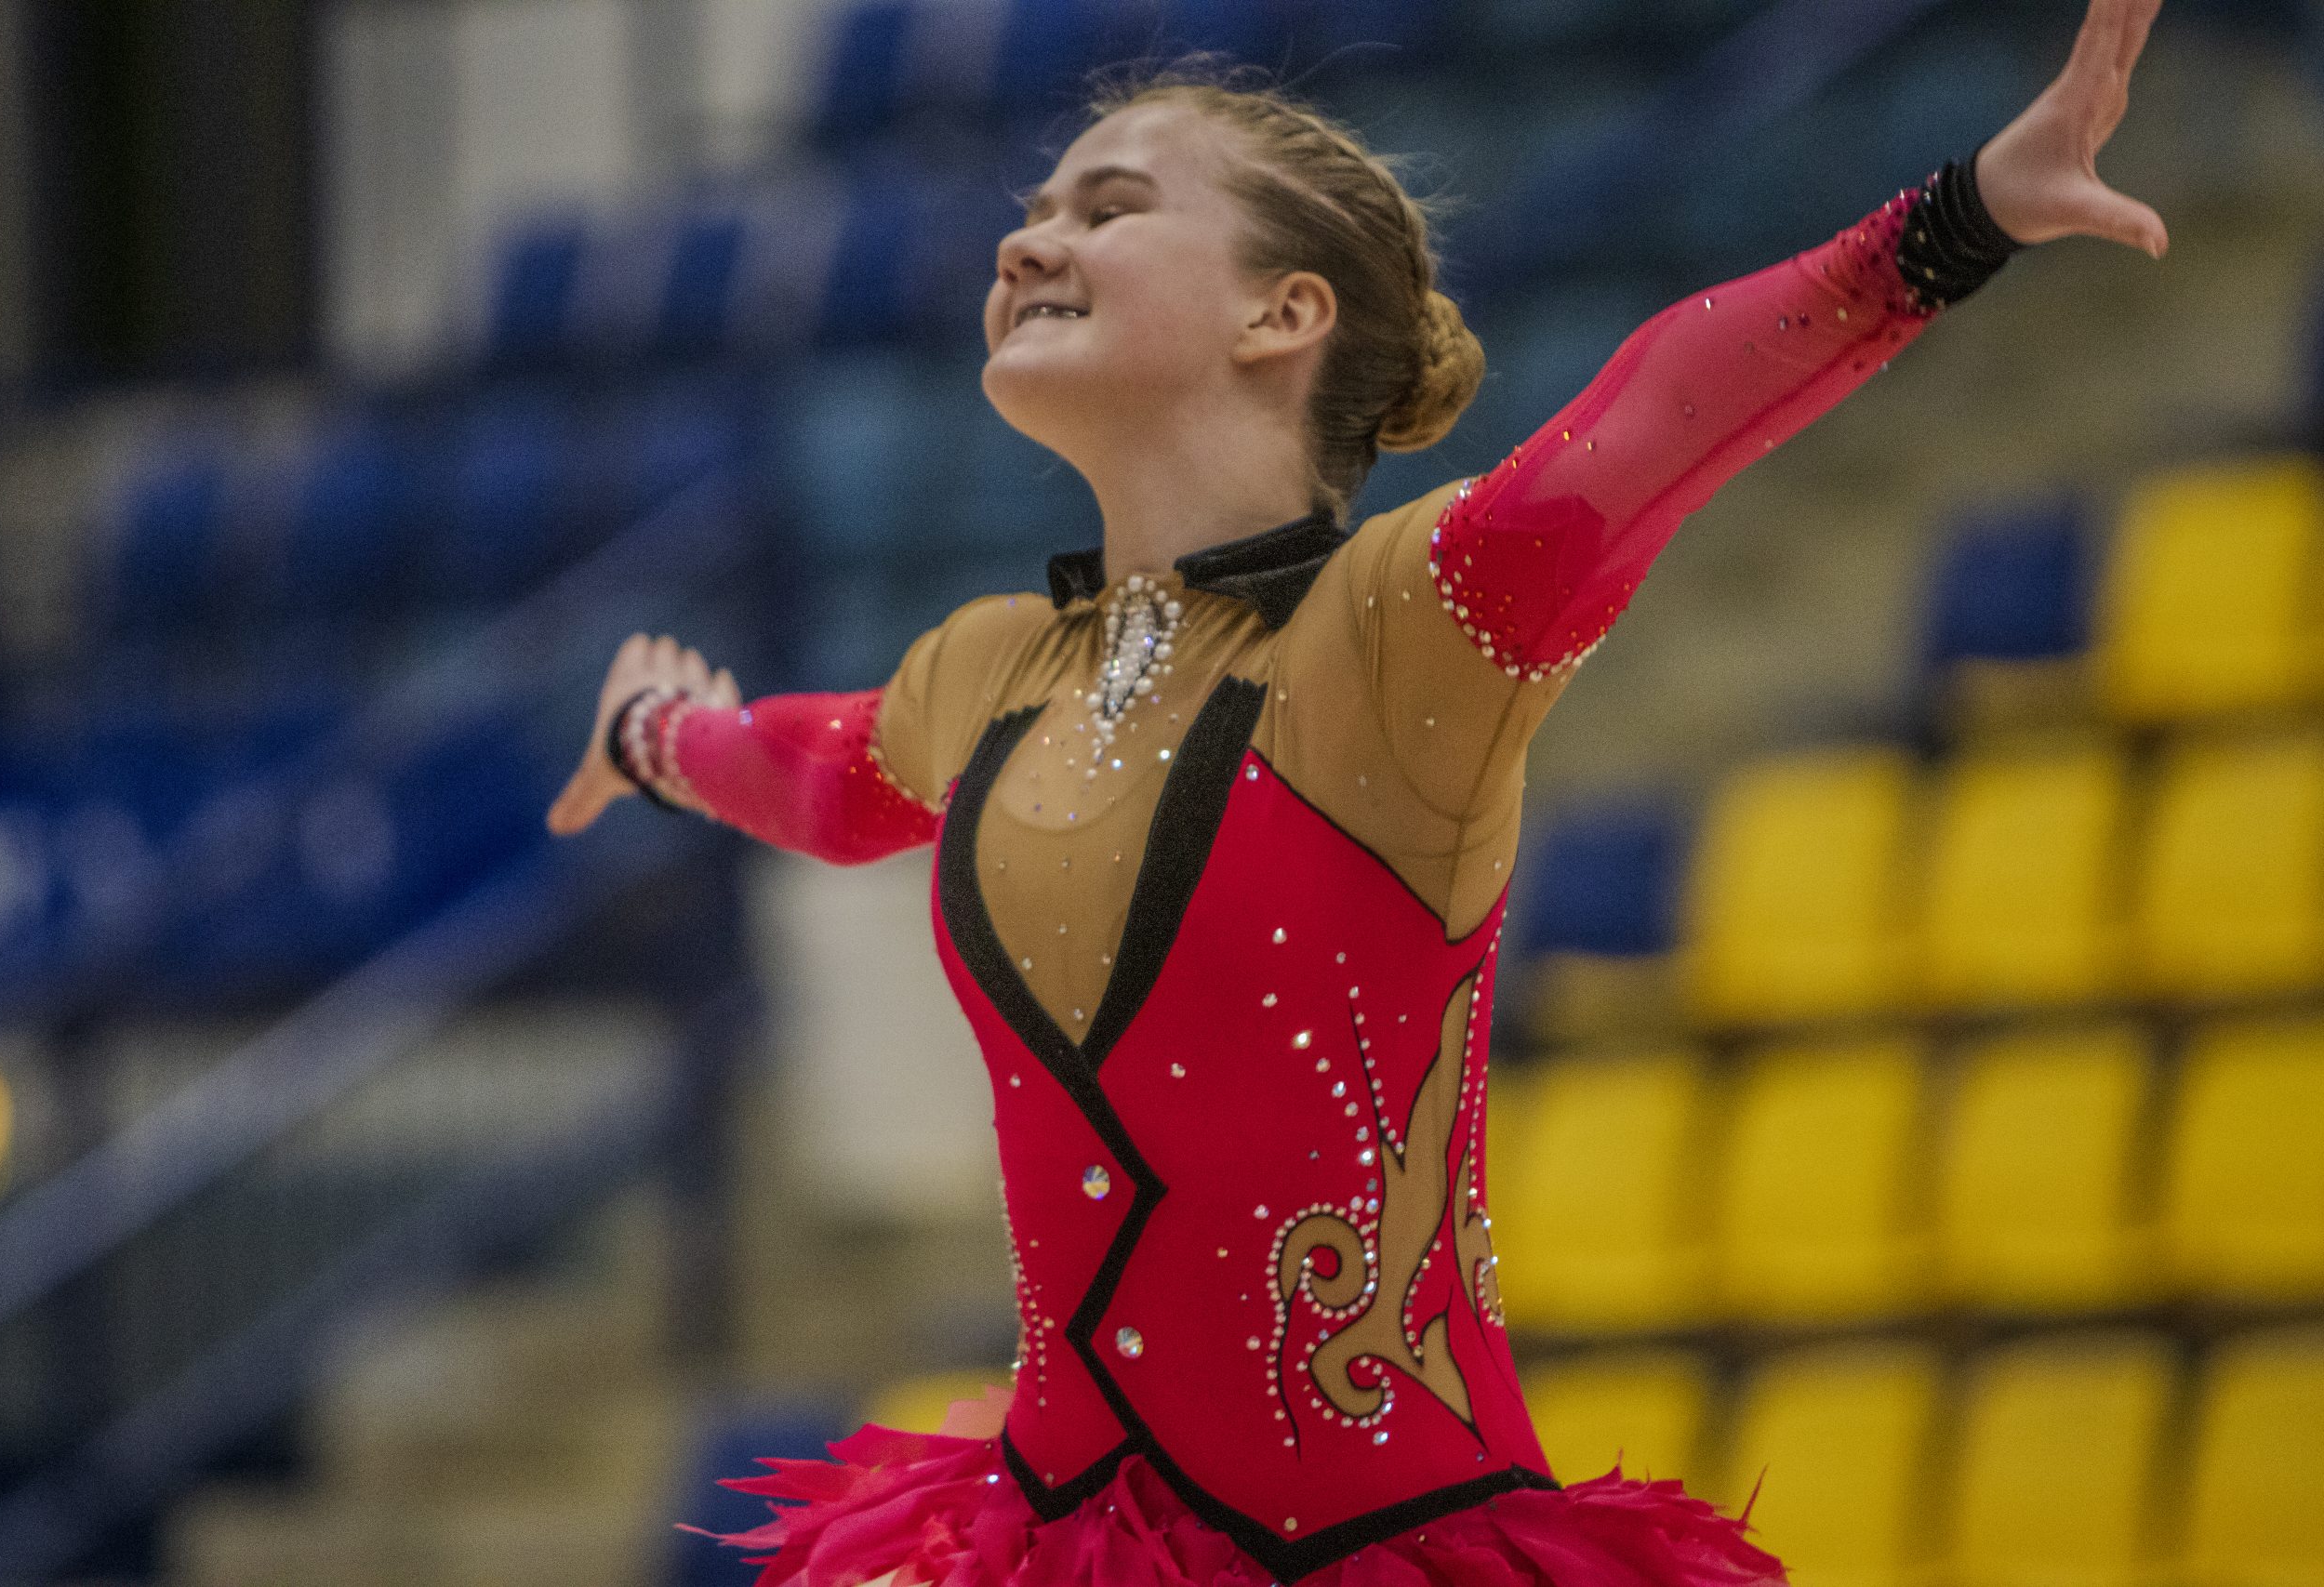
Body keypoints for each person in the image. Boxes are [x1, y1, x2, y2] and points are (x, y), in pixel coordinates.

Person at [551, 1, 2167, 1581]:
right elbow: (827, 781)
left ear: (1283, 314)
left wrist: (1960, 216)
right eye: (1034, 211)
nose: (1027, 242)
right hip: (1064, 1549)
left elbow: (1660, 411)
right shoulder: (984, 669)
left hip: (1378, 1549)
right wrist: (655, 736)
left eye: (1106, 209)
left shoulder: (1403, 631)